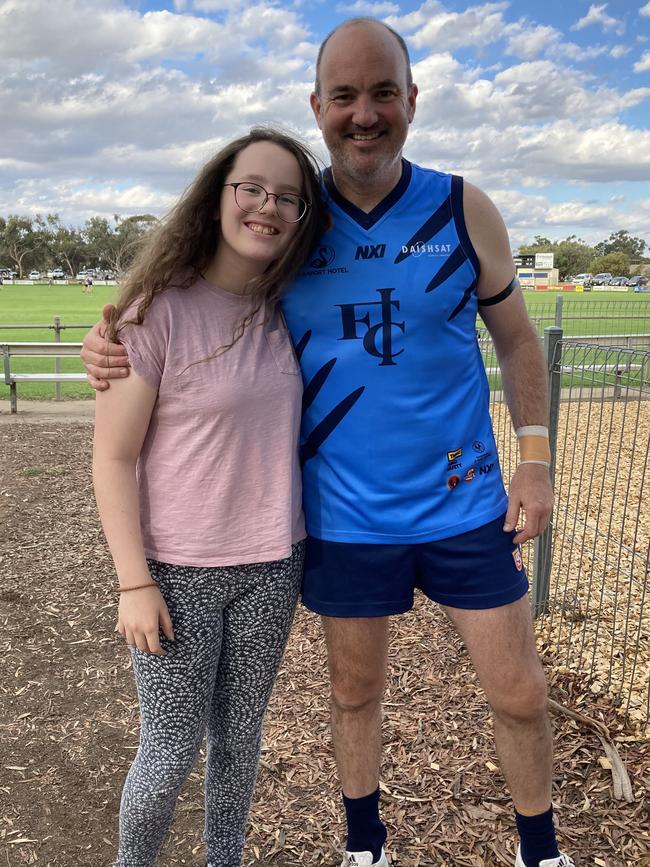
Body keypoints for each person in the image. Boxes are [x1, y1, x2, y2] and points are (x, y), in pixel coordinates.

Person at [81, 18, 574, 867]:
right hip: (342, 515)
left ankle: (543, 852)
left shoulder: (465, 208)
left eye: (384, 91)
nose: (365, 113)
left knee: (520, 692)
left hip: (464, 502)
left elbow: (521, 340)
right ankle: (365, 848)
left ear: (412, 101)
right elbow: (205, 278)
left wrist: (535, 455)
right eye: (343, 95)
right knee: (353, 692)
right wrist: (120, 331)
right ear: (318, 107)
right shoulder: (296, 221)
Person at [91, 126, 325, 867]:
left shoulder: (296, 303)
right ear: (217, 196)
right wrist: (134, 580)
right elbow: (113, 455)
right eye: (251, 188)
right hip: (178, 573)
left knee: (240, 738)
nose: (268, 206)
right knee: (168, 749)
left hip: (273, 563)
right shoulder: (155, 313)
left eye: (287, 197)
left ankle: (225, 857)